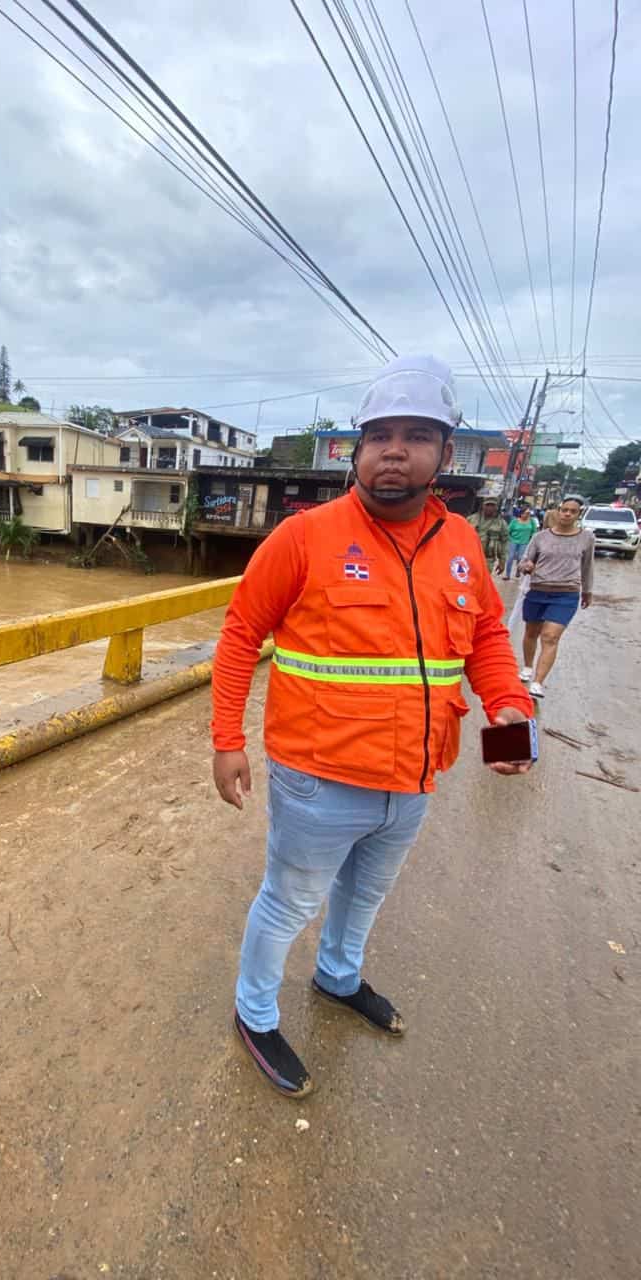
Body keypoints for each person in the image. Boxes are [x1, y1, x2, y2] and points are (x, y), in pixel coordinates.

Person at [211, 355, 533, 1098]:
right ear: (355, 450)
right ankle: (254, 1012)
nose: (395, 450)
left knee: (365, 896)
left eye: (416, 435)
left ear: (444, 454)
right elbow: (238, 636)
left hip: (416, 777)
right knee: (289, 899)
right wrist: (227, 739)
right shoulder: (304, 538)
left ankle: (338, 977)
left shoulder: (461, 546)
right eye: (379, 434)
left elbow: (485, 638)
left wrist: (509, 717)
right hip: (319, 776)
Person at [517, 495, 594, 699]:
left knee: (550, 636)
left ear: (579, 514)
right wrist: (527, 566)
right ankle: (527, 667)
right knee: (531, 632)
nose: (567, 514)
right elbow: (524, 561)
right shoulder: (540, 537)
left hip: (566, 594)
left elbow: (587, 566)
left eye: (572, 511)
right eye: (564, 510)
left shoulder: (586, 538)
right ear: (558, 511)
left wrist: (587, 590)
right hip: (537, 590)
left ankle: (538, 682)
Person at [467, 497, 509, 574]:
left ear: (496, 507)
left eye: (492, 505)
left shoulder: (501, 524)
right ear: (483, 506)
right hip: (469, 556)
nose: (490, 507)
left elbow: (504, 543)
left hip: (487, 559)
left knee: (482, 582)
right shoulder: (471, 519)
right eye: (487, 505)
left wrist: (502, 562)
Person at [503, 506, 538, 579]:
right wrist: (509, 539)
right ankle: (507, 574)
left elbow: (534, 532)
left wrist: (532, 542)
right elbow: (508, 531)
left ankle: (518, 571)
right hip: (513, 541)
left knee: (520, 558)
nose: (527, 515)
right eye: (526, 513)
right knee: (510, 557)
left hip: (524, 542)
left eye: (528, 513)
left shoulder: (532, 521)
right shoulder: (514, 521)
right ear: (521, 514)